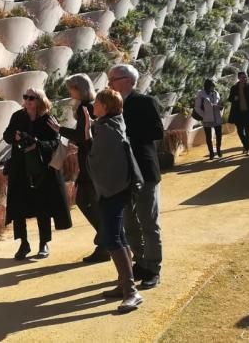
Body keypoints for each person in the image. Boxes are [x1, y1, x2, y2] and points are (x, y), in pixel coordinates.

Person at [82, 88, 145, 312]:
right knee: (118, 235)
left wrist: (90, 133)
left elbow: (96, 160)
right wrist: (90, 129)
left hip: (113, 191)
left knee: (112, 237)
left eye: (97, 103)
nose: (93, 106)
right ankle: (123, 285)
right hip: (116, 190)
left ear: (105, 107)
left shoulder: (108, 130)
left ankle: (131, 292)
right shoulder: (110, 125)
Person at [107, 64, 164, 289]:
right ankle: (139, 262)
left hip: (145, 171)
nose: (110, 83)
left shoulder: (144, 102)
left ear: (129, 81)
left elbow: (157, 132)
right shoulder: (113, 106)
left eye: (114, 79)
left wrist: (126, 135)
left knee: (148, 222)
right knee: (130, 222)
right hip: (123, 174)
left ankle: (153, 268)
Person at [2, 88, 72, 260]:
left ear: (40, 100)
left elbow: (55, 142)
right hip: (20, 167)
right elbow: (7, 135)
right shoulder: (18, 116)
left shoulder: (48, 118)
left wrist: (37, 145)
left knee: (43, 206)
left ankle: (43, 243)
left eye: (31, 98)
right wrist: (16, 137)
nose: (27, 100)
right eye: (25, 97)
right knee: (19, 206)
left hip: (42, 169)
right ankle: (23, 244)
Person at [47, 74, 107, 263]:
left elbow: (83, 135)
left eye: (70, 88)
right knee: (87, 200)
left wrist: (60, 129)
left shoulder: (85, 107)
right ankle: (105, 239)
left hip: (90, 163)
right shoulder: (89, 105)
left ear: (78, 89)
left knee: (86, 200)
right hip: (91, 161)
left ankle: (105, 241)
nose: (69, 92)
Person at [228, 71, 249, 156]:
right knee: (240, 132)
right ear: (239, 78)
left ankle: (248, 148)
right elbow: (230, 98)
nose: (245, 79)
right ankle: (246, 146)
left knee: (248, 131)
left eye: (246, 77)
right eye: (243, 77)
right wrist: (234, 98)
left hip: (248, 113)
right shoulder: (234, 88)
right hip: (238, 113)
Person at [195, 78, 224, 160]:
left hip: (217, 117)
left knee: (219, 135)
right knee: (208, 137)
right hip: (207, 118)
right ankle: (211, 153)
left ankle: (218, 150)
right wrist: (204, 115)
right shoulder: (201, 94)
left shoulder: (216, 93)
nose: (214, 87)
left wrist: (220, 109)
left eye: (214, 85)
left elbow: (219, 103)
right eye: (212, 85)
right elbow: (197, 107)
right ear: (208, 86)